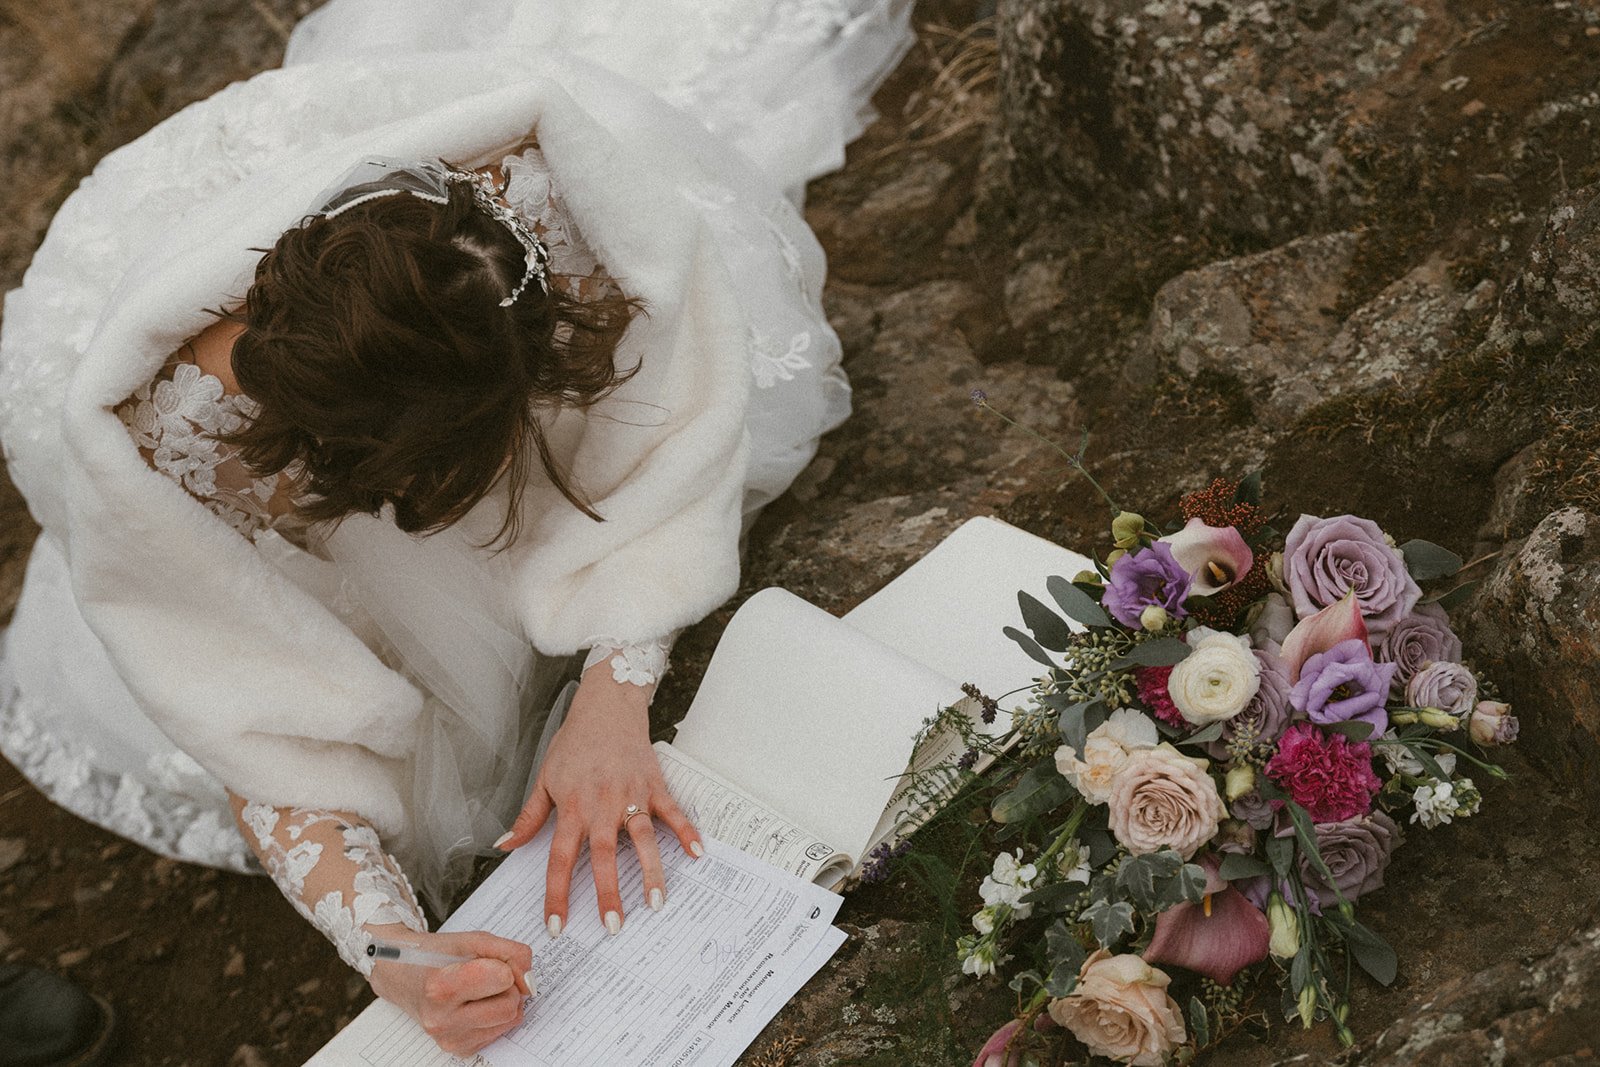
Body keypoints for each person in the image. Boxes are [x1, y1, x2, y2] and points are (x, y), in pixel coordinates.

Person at [0, 0, 912, 1056]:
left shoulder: (537, 221)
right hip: (249, 411)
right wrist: (390, 950)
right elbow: (265, 726)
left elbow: (665, 433)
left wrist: (614, 696)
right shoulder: (181, 446)